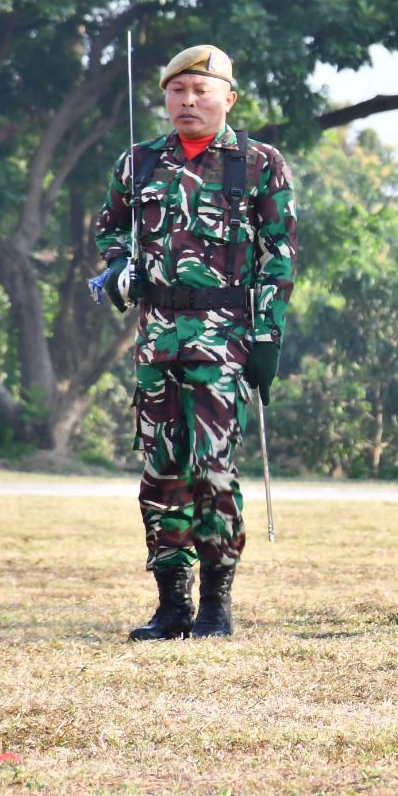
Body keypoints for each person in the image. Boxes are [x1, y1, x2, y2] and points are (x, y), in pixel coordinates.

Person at [93, 43, 296, 640]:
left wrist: (267, 335)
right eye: (177, 91)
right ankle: (171, 603)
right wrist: (115, 271)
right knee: (161, 471)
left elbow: (279, 255)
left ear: (227, 98)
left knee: (212, 470)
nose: (187, 101)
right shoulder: (139, 162)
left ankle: (216, 603)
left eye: (200, 91)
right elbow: (110, 228)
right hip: (157, 338)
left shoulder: (258, 163)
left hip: (225, 340)